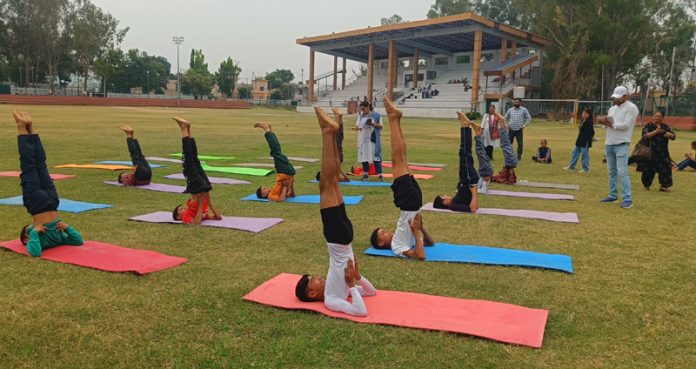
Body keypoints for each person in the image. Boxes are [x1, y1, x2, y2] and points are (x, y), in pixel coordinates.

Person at [294, 107, 376, 317]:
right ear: (312, 294)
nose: (318, 278)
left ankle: (333, 131)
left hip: (345, 237)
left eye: (314, 277)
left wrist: (357, 278)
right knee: (325, 185)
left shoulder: (335, 289)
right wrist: (351, 282)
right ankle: (327, 132)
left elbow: (371, 292)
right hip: (337, 237)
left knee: (331, 182)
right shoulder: (331, 300)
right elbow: (361, 311)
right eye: (314, 281)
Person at [369, 97, 435, 260]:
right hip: (409, 204)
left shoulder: (402, 240)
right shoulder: (397, 246)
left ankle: (396, 119)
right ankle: (393, 119)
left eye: (383, 230)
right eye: (382, 233)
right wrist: (416, 230)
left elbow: (429, 243)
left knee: (402, 157)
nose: (386, 231)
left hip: (414, 203)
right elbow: (420, 255)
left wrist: (419, 229)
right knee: (397, 159)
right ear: (381, 244)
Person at [13, 110, 84, 257]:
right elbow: (78, 241)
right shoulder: (57, 238)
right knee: (41, 163)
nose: (31, 227)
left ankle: (21, 127)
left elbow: (34, 253)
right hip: (52, 200)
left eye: (28, 229)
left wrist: (33, 232)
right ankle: (31, 126)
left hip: (36, 202)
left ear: (26, 239)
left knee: (29, 165)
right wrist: (67, 228)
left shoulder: (36, 237)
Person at [171, 117, 222, 224]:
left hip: (200, 188)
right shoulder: (185, 218)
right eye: (180, 209)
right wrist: (208, 202)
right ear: (179, 216)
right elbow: (197, 223)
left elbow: (215, 218)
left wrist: (203, 203)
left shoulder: (191, 207)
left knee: (194, 158)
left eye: (181, 207)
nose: (182, 207)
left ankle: (188, 129)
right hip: (198, 187)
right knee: (189, 158)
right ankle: (184, 128)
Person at [596, 86, 639, 209]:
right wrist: (603, 123)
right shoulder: (612, 108)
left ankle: (627, 199)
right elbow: (609, 126)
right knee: (611, 171)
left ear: (626, 96)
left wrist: (610, 124)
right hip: (609, 142)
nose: (615, 100)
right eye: (615, 98)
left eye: (618, 98)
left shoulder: (632, 108)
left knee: (622, 172)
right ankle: (613, 195)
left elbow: (625, 125)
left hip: (622, 143)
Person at [432, 112, 480, 212]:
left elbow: (474, 205)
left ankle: (466, 127)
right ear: (444, 202)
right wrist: (474, 191)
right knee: (464, 152)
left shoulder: (455, 201)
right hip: (468, 180)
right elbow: (473, 209)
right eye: (444, 196)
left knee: (465, 152)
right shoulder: (453, 206)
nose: (446, 195)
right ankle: (465, 126)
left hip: (466, 180)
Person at [254, 123, 296, 201]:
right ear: (263, 195)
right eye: (264, 189)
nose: (266, 188)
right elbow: (283, 199)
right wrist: (289, 186)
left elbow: (289, 195)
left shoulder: (274, 191)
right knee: (276, 150)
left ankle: (269, 131)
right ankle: (267, 130)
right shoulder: (271, 196)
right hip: (285, 172)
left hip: (285, 172)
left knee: (276, 150)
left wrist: (286, 186)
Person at [637, 111, 676, 191]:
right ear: (652, 117)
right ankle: (646, 185)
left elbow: (673, 136)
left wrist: (666, 133)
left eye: (659, 116)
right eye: (655, 116)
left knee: (665, 169)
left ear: (662, 118)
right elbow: (646, 135)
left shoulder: (665, 126)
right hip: (650, 152)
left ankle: (664, 186)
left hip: (663, 153)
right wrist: (656, 131)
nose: (657, 118)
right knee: (648, 169)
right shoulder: (649, 126)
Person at [355, 101, 383, 181]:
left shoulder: (376, 115)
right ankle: (365, 174)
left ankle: (380, 174)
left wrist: (373, 124)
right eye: (361, 109)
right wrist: (358, 127)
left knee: (375, 156)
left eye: (363, 109)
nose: (362, 111)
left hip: (373, 139)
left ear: (368, 107)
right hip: (363, 139)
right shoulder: (361, 116)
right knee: (364, 156)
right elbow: (357, 126)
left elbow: (381, 126)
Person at [491, 112, 519, 184]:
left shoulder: (510, 165)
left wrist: (510, 180)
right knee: (505, 139)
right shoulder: (510, 165)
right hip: (511, 159)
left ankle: (501, 121)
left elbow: (511, 176)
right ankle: (501, 121)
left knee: (505, 140)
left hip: (511, 159)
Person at [564, 108, 595, 173]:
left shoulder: (589, 122)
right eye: (583, 113)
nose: (583, 114)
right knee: (575, 153)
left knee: (584, 155)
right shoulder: (582, 120)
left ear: (589, 115)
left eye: (585, 113)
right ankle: (571, 166)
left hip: (585, 141)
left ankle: (586, 169)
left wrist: (591, 138)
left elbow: (592, 132)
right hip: (579, 140)